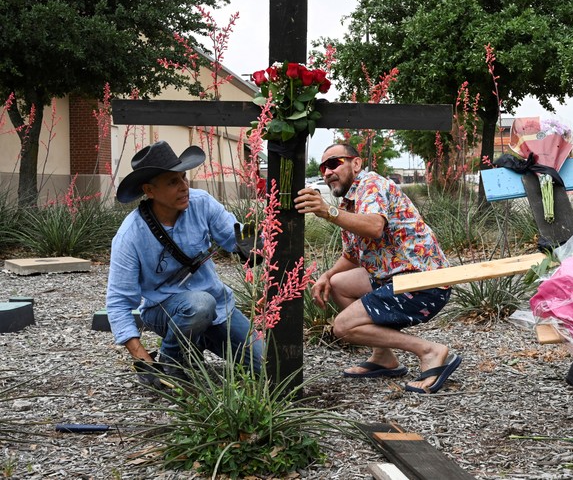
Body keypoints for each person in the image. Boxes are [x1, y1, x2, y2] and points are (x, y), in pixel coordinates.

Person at [294, 143, 461, 393]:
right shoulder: (348, 205)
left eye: (334, 163)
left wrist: (327, 212)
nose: (327, 172)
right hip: (394, 276)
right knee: (337, 284)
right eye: (322, 167)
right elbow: (352, 256)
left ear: (356, 164)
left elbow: (374, 227)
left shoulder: (370, 184)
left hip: (423, 283)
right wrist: (327, 275)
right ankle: (383, 357)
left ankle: (429, 350)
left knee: (343, 327)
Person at [106, 141, 263, 386]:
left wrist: (263, 240)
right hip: (166, 311)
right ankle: (171, 360)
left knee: (267, 366)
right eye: (173, 182)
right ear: (149, 190)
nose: (184, 187)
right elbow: (118, 303)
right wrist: (142, 358)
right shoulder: (130, 235)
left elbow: (237, 235)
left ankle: (197, 341)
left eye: (184, 177)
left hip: (220, 309)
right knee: (200, 304)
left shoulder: (202, 203)